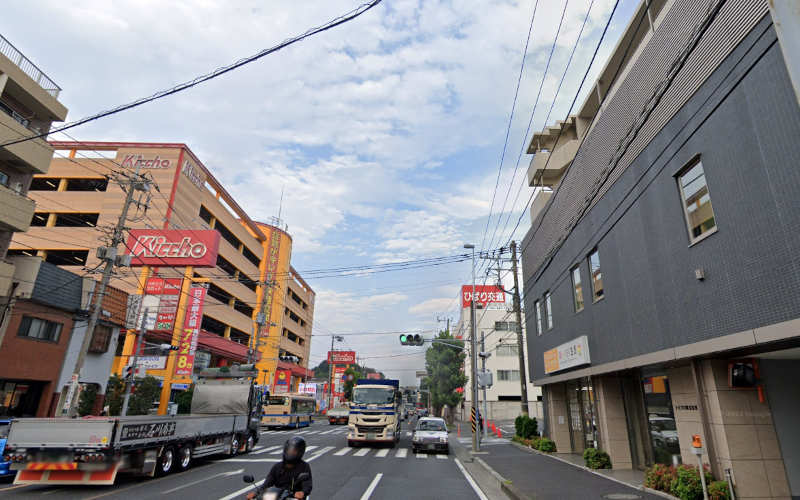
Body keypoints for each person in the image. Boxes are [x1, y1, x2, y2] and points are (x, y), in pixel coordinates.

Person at [248, 436, 312, 499]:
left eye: (294, 451)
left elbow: (307, 485)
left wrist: (302, 492)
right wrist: (256, 493)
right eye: (288, 450)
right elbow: (267, 483)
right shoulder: (277, 466)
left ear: (300, 452)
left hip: (294, 497)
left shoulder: (304, 467)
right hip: (278, 495)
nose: (290, 452)